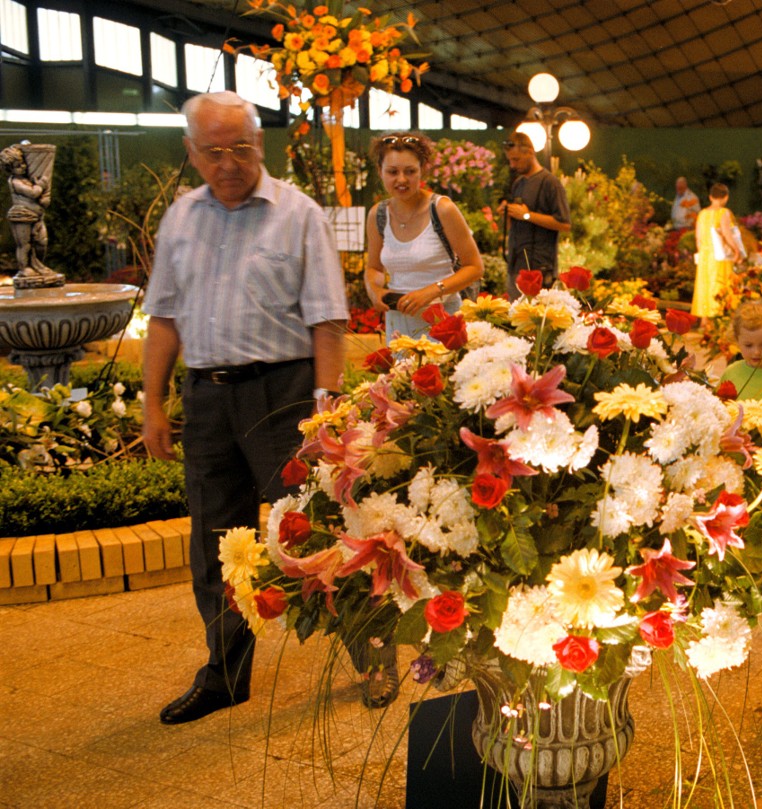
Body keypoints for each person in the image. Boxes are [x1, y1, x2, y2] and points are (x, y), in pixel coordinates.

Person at [142, 91, 349, 725]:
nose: (228, 162)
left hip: (281, 394)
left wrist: (325, 412)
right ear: (191, 151)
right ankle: (226, 673)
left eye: (241, 148)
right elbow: (165, 317)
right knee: (215, 543)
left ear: (261, 144)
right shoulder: (181, 216)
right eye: (214, 151)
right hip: (206, 399)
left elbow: (328, 320)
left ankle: (370, 654)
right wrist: (153, 403)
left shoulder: (299, 214)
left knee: (314, 534)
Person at [365, 132, 483, 343]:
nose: (401, 179)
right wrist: (375, 290)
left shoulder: (442, 210)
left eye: (410, 171)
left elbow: (474, 267)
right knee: (401, 375)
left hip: (443, 323)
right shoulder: (378, 215)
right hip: (398, 326)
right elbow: (373, 267)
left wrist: (431, 292)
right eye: (392, 172)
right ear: (380, 172)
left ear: (423, 170)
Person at [498, 131, 571, 300]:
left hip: (540, 268)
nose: (512, 165)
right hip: (515, 266)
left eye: (516, 160)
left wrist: (527, 215)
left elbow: (565, 224)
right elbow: (513, 227)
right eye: (510, 160)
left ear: (530, 152)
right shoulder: (518, 183)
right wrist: (508, 214)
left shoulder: (550, 183)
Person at [0, 143, 54, 280]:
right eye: (18, 165)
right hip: (22, 216)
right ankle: (24, 269)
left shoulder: (26, 179)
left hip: (37, 216)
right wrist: (41, 185)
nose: (23, 167)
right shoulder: (15, 182)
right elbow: (33, 193)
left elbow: (39, 198)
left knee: (42, 242)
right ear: (10, 168)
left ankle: (38, 265)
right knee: (24, 245)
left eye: (23, 163)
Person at [692, 183, 741, 326]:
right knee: (719, 284)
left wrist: (702, 251)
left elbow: (698, 238)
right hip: (719, 256)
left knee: (704, 285)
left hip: (705, 255)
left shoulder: (702, 214)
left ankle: (704, 321)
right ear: (725, 197)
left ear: (710, 197)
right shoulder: (723, 212)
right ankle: (717, 320)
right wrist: (736, 249)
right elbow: (727, 234)